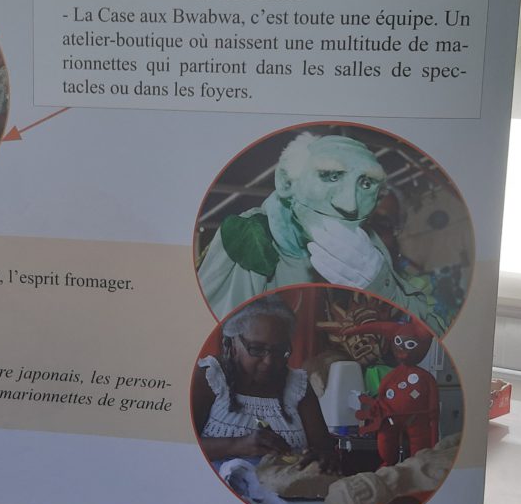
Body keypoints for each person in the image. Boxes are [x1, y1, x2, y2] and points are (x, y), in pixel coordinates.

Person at [196, 131, 453, 333]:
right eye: (330, 176)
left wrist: (382, 287)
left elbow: (433, 334)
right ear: (286, 183)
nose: (350, 205)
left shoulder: (368, 246)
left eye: (366, 184)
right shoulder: (250, 236)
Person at [191, 295, 335, 466]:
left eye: (280, 350)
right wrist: (237, 445)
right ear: (234, 342)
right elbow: (179, 443)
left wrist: (320, 457)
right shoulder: (210, 376)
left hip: (284, 482)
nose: (268, 361)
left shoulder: (298, 385)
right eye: (257, 349)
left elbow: (325, 449)